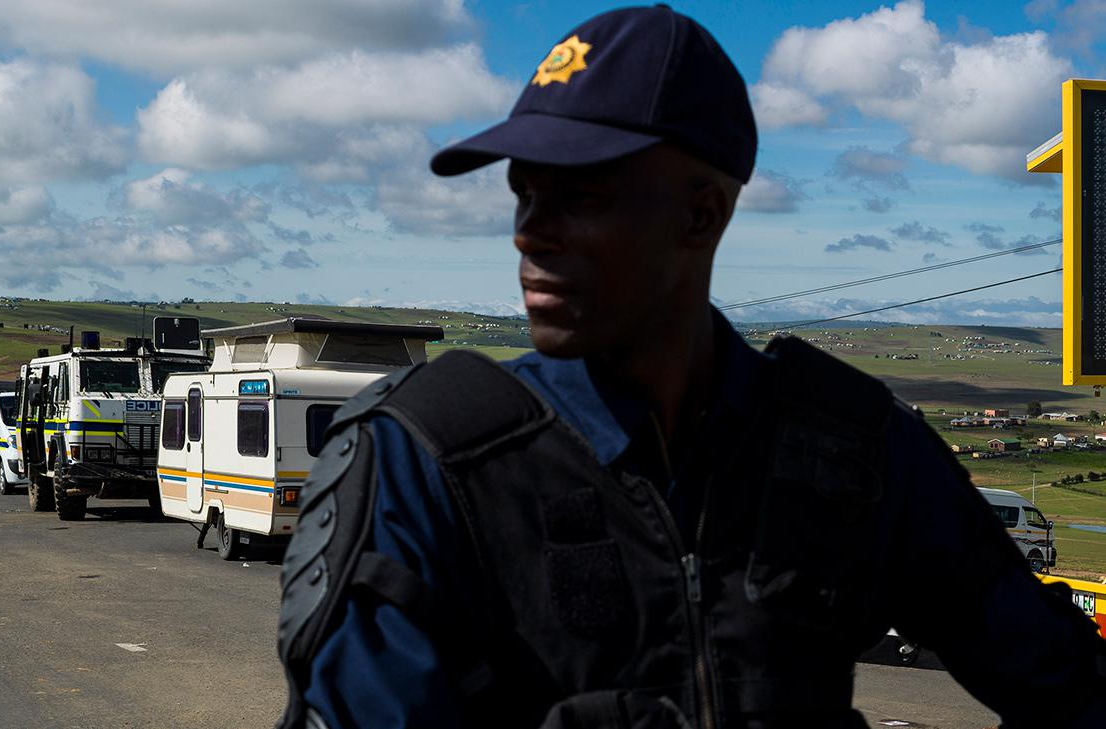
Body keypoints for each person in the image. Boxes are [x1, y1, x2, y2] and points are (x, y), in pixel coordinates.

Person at [277, 6, 1106, 729]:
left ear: (702, 214)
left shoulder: (855, 446)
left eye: (582, 196)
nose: (531, 231)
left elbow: (1070, 688)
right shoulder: (426, 457)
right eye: (524, 194)